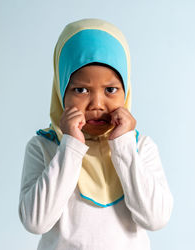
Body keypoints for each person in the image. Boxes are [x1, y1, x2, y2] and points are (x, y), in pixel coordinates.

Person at [18, 18, 173, 250]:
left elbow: (156, 218)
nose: (97, 104)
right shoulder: (43, 146)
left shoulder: (141, 147)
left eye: (111, 90)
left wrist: (124, 146)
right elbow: (35, 222)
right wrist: (70, 145)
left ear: (126, 90)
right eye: (81, 90)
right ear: (61, 90)